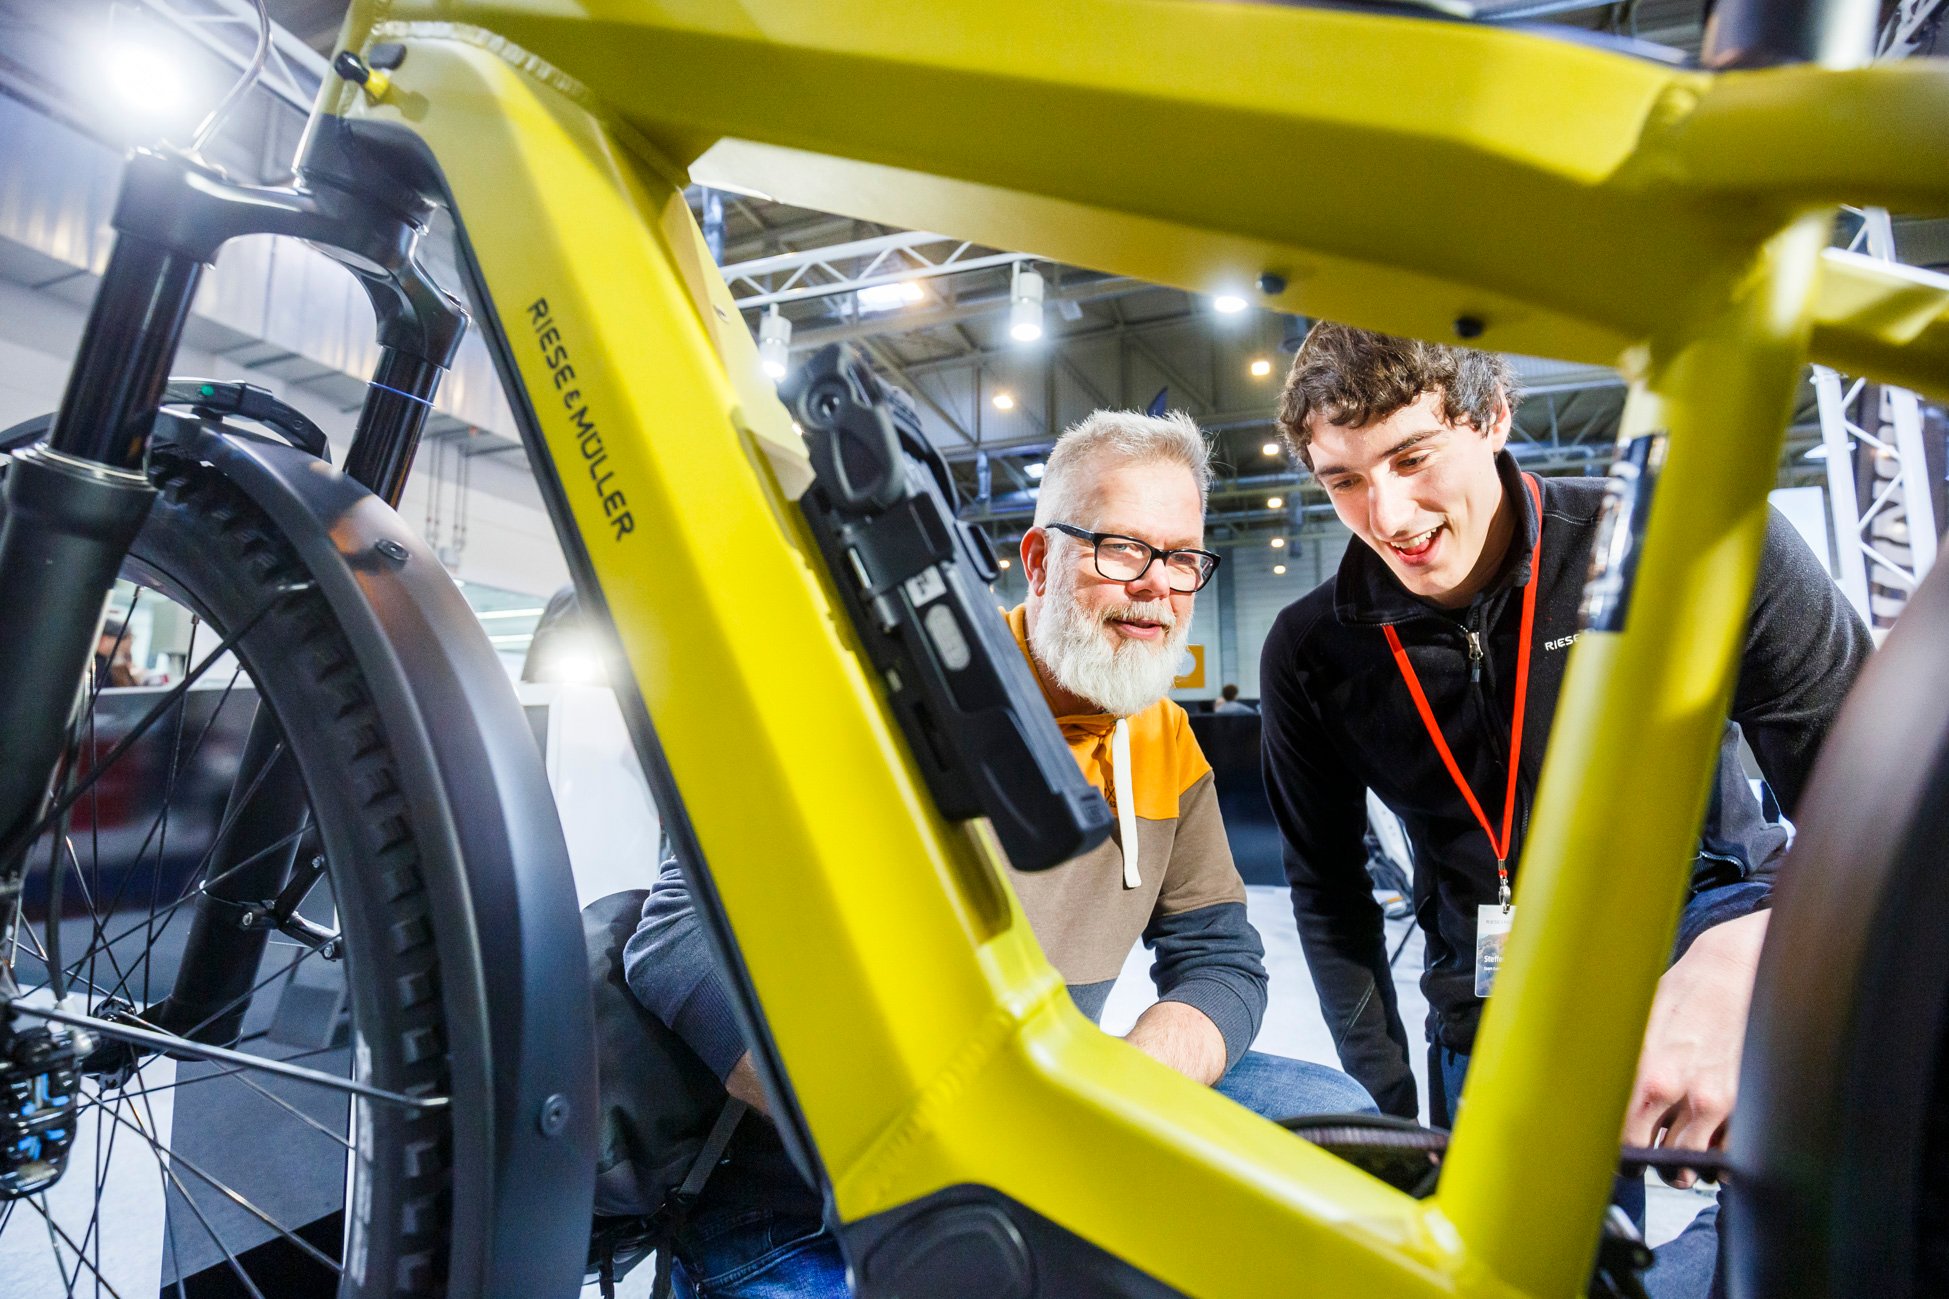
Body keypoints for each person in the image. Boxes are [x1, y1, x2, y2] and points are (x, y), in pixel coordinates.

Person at [625, 408, 1375, 1299]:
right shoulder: (868, 693)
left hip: (1041, 1124)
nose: (1156, 586)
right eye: (1121, 549)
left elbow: (1220, 957)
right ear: (1038, 560)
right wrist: (881, 1123)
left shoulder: (1166, 743)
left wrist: (1137, 1075)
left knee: (1334, 1122)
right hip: (817, 1177)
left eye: (1181, 558)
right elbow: (677, 937)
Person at [1260, 323, 1871, 1293]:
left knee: (1809, 1251)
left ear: (1493, 418)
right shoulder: (1311, 651)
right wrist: (1384, 1110)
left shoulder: (1676, 544)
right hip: (1493, 1000)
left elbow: (1873, 809)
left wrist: (1753, 945)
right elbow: (1328, 895)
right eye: (1341, 480)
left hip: (1708, 950)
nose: (1385, 514)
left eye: (1411, 458)